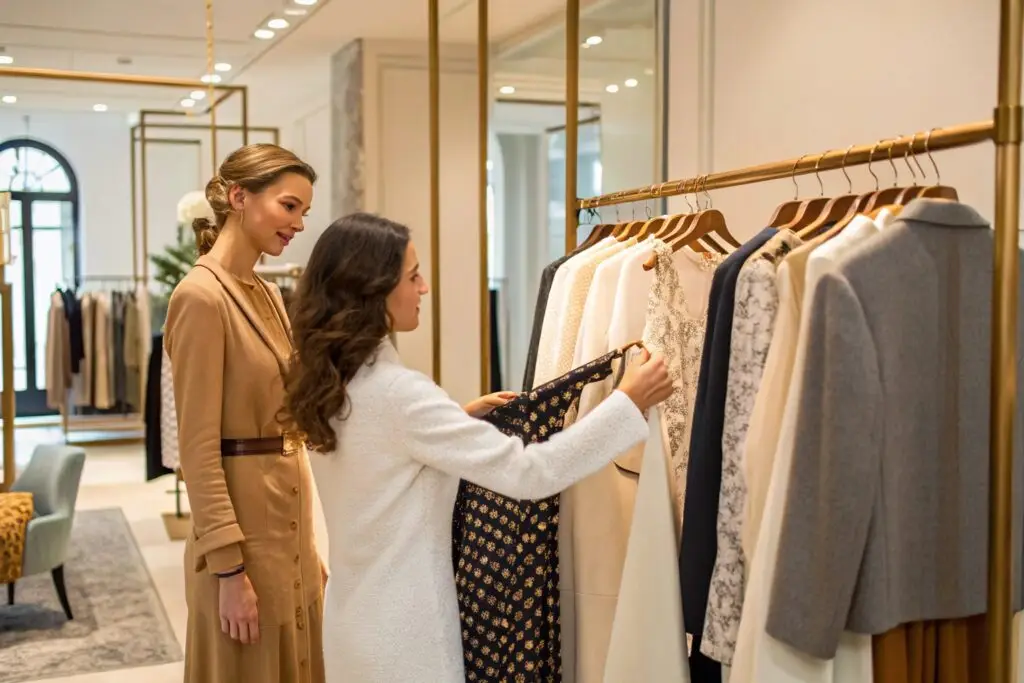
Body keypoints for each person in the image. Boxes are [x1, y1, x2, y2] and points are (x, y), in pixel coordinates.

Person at [282, 212, 674, 683]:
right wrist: (627, 403)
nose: (424, 287)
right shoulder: (399, 394)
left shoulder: (331, 383)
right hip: (408, 638)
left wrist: (456, 422)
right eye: (412, 276)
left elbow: (378, 465)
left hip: (353, 626)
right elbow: (532, 474)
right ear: (374, 294)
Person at [163, 143, 326, 682]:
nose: (300, 223)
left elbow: (300, 412)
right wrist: (229, 569)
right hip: (243, 535)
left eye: (303, 210)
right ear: (239, 197)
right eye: (289, 206)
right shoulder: (200, 298)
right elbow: (198, 449)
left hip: (288, 523)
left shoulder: (270, 294)